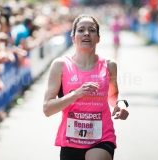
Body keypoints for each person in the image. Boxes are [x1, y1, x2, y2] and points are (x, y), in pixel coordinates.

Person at [43, 14, 129, 160]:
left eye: (92, 30)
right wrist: (76, 94)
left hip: (102, 137)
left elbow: (113, 95)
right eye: (81, 30)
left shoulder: (109, 65)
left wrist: (121, 104)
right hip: (71, 140)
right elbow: (47, 109)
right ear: (73, 37)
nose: (87, 33)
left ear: (98, 38)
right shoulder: (60, 65)